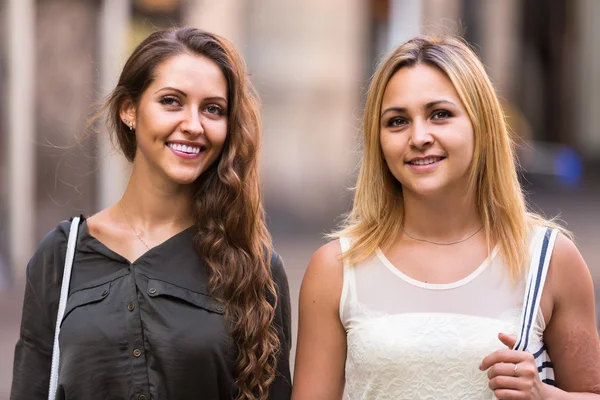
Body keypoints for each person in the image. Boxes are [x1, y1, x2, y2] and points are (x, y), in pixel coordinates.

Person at [292, 36, 600, 399]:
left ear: (481, 125)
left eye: (440, 114)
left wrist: (543, 394)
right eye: (397, 121)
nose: (419, 136)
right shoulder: (336, 268)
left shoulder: (550, 260)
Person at [11, 27, 292, 400]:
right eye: (172, 101)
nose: (193, 125)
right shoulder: (61, 258)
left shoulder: (254, 267)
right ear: (130, 110)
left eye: (213, 109)